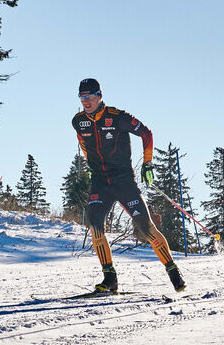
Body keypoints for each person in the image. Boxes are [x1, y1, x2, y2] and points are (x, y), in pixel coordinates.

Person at [72, 78, 185, 293]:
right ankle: (110, 279)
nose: (85, 101)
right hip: (99, 181)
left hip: (123, 180)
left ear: (99, 96)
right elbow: (83, 142)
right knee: (95, 225)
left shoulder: (117, 117)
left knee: (146, 228)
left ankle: (174, 274)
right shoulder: (78, 121)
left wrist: (148, 163)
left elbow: (146, 133)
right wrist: (89, 164)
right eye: (82, 97)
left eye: (89, 96)